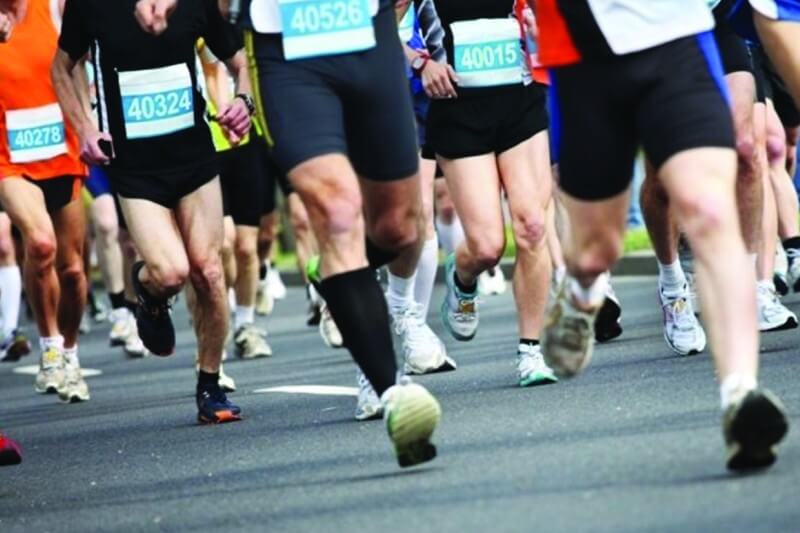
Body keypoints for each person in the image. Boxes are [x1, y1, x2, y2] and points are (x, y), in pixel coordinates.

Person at [533, 0, 788, 471]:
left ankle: (740, 395)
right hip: (584, 58)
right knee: (597, 249)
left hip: (678, 41)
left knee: (709, 208)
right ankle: (582, 290)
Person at [184, 0, 442, 466]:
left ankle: (340, 282)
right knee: (340, 212)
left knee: (400, 227)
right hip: (285, 46)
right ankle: (392, 396)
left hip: (368, 32)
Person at [53, 0, 252, 423]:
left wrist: (243, 102)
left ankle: (210, 384)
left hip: (195, 156)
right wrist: (85, 128)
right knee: (170, 272)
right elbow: (61, 67)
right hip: (135, 167)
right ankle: (149, 294)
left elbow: (239, 59)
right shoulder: (91, 6)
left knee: (210, 271)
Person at [1, 0, 90, 403]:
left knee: (72, 270)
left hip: (62, 152)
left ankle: (69, 351)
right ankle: (50, 347)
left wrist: (88, 124)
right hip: (9, 158)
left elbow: (81, 61)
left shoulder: (53, 7)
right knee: (40, 243)